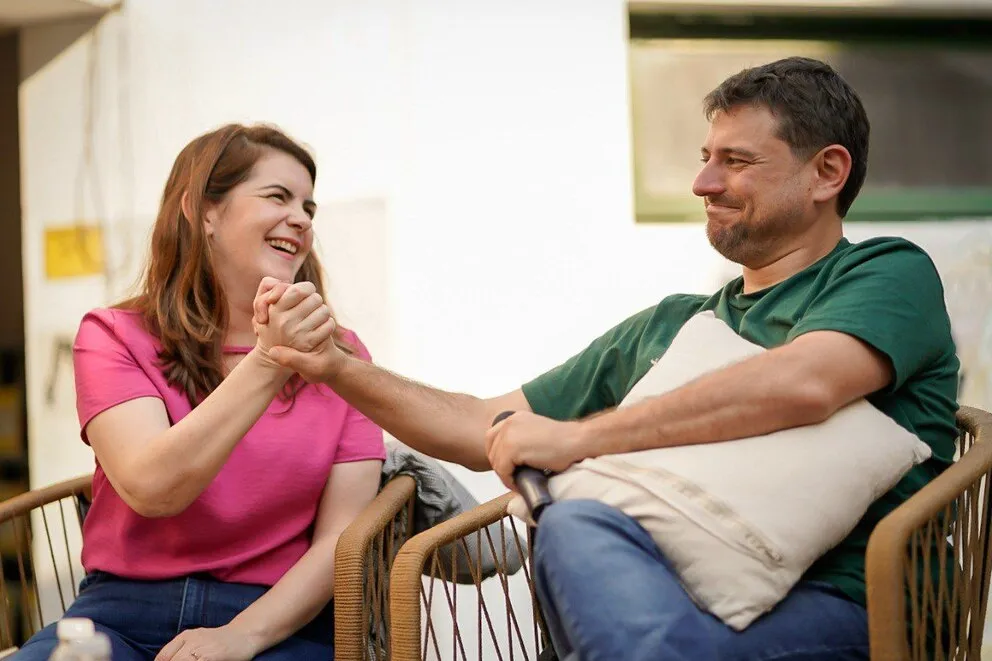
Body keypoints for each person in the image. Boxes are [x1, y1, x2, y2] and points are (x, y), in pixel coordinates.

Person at [256, 57, 959, 660]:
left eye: (736, 161)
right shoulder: (671, 325)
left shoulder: (884, 274)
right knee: (573, 524)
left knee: (575, 524)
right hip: (660, 597)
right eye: (705, 157)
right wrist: (337, 367)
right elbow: (480, 425)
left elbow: (805, 383)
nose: (703, 183)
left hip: (854, 602)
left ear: (826, 172)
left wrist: (580, 439)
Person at [14, 124, 386, 661]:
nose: (302, 219)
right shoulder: (115, 334)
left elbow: (340, 542)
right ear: (202, 211)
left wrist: (242, 636)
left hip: (276, 621)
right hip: (119, 615)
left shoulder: (340, 355)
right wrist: (269, 360)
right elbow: (153, 486)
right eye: (278, 196)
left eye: (309, 206)